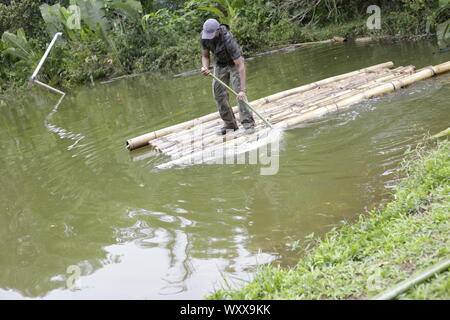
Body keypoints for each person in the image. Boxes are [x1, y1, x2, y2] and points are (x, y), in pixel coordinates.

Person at [200, 18, 255, 135]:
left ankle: (248, 123)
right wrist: (205, 67)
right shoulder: (204, 37)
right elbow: (205, 56)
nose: (209, 36)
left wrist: (242, 90)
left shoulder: (228, 40)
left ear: (218, 30)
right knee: (218, 93)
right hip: (220, 64)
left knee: (239, 94)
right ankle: (230, 124)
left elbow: (240, 65)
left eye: (212, 34)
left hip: (234, 64)